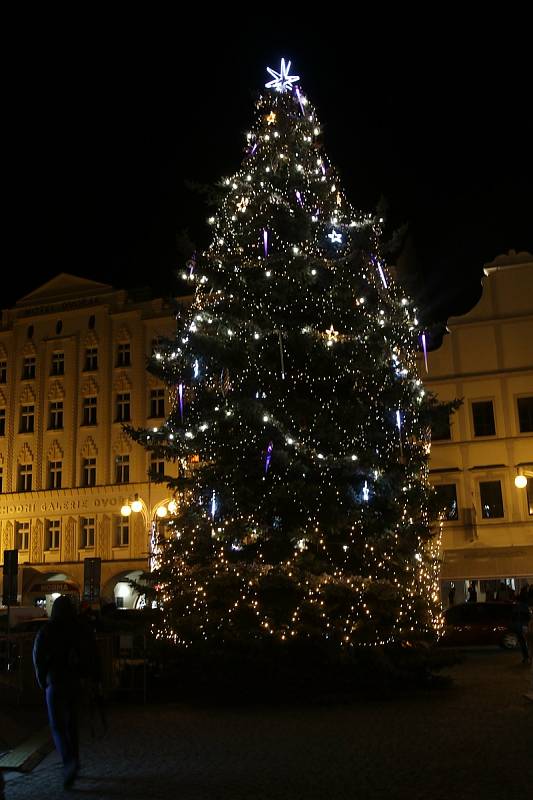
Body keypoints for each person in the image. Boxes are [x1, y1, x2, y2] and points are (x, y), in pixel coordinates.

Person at [33, 595, 100, 789]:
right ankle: (74, 761)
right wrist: (93, 678)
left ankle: (69, 761)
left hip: (54, 682)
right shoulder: (80, 629)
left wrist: (42, 681)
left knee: (57, 726)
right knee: (72, 723)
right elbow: (91, 654)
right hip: (75, 682)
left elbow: (38, 657)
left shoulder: (47, 630)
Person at [511, 587, 532, 665]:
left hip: (518, 625)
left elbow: (513, 617)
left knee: (523, 642)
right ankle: (527, 657)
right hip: (524, 625)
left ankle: (526, 657)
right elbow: (528, 617)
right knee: (526, 642)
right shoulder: (525, 607)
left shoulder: (516, 607)